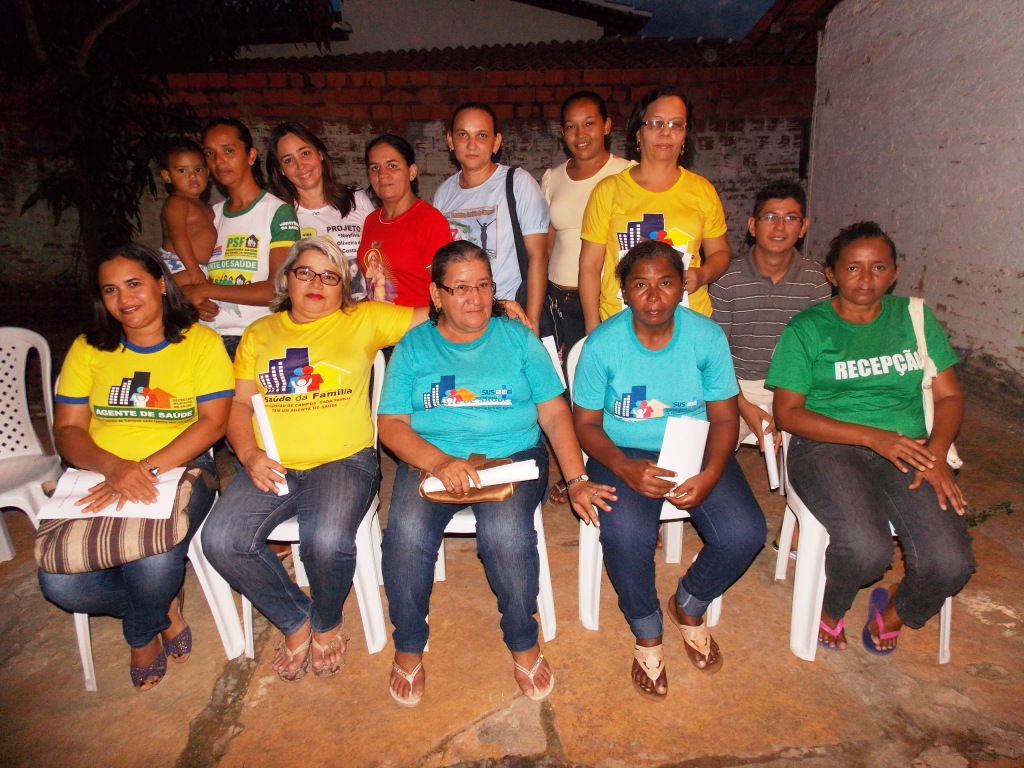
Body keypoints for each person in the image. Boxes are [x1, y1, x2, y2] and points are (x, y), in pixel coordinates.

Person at [378, 241, 614, 707]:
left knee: (505, 535)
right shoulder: (414, 347)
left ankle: (523, 637)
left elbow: (553, 412)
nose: (475, 298)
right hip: (434, 460)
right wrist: (439, 462)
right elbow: (391, 425)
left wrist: (577, 477)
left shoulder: (517, 338)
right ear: (436, 294)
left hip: (512, 456)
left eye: (483, 285)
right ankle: (408, 643)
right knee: (404, 532)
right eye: (460, 288)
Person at [201, 236, 430, 682]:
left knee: (325, 540)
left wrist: (497, 302)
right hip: (273, 461)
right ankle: (295, 619)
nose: (316, 283)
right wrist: (247, 454)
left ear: (344, 289)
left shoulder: (363, 319)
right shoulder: (259, 333)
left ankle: (326, 621)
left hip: (344, 461)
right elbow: (241, 407)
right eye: (304, 272)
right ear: (287, 279)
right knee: (222, 539)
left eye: (330, 277)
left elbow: (439, 311)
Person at [768, 221, 974, 654]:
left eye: (878, 267)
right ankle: (831, 608)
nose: (866, 279)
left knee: (951, 562)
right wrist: (871, 437)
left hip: (909, 449)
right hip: (827, 447)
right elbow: (787, 414)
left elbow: (950, 395)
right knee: (865, 549)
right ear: (831, 273)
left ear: (895, 272)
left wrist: (935, 454)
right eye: (853, 268)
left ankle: (896, 610)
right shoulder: (807, 328)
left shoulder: (914, 317)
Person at [572, 240, 765, 701]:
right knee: (625, 535)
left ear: (682, 288)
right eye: (640, 285)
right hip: (620, 447)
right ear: (623, 292)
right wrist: (623, 467)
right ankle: (647, 634)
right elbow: (584, 424)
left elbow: (723, 417)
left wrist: (712, 473)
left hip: (693, 443)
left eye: (665, 283)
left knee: (744, 532)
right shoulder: (603, 344)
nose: (654, 296)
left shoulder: (706, 337)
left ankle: (690, 604)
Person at [40, 243, 233, 691]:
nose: (124, 298)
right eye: (111, 289)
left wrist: (141, 470)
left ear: (161, 285)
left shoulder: (199, 343)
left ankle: (141, 634)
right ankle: (158, 610)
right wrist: (113, 467)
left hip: (178, 468)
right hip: (100, 472)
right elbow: (67, 430)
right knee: (60, 583)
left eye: (134, 284)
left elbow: (212, 424)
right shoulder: (89, 348)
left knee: (154, 562)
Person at [709, 180, 831, 554]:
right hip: (734, 383)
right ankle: (709, 531)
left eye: (790, 218)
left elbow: (817, 354)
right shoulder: (726, 278)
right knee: (704, 448)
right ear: (752, 225)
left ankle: (793, 533)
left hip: (792, 386)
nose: (780, 228)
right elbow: (715, 357)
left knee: (822, 447)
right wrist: (746, 407)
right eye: (770, 218)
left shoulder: (816, 282)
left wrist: (785, 406)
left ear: (804, 226)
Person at [542, 90, 633, 504]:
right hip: (557, 300)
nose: (581, 134)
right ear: (563, 133)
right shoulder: (552, 177)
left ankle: (605, 464)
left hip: (605, 301)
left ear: (608, 125)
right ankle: (573, 467)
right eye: (571, 126)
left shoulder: (628, 174)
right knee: (562, 389)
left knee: (602, 389)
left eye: (590, 123)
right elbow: (545, 243)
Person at [579, 87, 731, 332]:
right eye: (655, 123)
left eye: (676, 124)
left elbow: (721, 252)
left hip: (688, 322)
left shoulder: (702, 190)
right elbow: (589, 266)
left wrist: (703, 274)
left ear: (685, 135)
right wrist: (592, 326)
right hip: (621, 322)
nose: (665, 132)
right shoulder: (608, 191)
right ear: (638, 132)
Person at [184, 118, 300, 359]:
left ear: (251, 156)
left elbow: (276, 290)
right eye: (210, 153)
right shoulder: (210, 215)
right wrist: (187, 294)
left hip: (256, 341)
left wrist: (207, 289)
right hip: (208, 339)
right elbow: (192, 273)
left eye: (228, 150)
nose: (219, 160)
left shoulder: (278, 212)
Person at [433, 102, 549, 331]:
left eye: (482, 135)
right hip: (462, 315)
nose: (472, 144)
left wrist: (532, 320)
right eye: (463, 134)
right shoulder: (443, 194)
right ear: (450, 140)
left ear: (496, 142)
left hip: (510, 314)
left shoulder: (517, 183)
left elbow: (539, 256)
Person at [267, 122, 375, 301]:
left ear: (320, 155)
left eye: (305, 153)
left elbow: (379, 257)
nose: (300, 165)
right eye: (288, 160)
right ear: (281, 171)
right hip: (310, 319)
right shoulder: (278, 214)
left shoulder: (356, 199)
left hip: (360, 316)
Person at [358, 133, 453, 307]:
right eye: (374, 168)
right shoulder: (371, 220)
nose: (382, 175)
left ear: (412, 172)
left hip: (418, 329)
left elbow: (448, 291)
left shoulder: (429, 220)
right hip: (378, 329)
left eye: (392, 166)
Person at [158, 138, 216, 288]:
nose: (192, 175)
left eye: (198, 169)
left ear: (207, 172)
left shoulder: (208, 207)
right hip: (180, 263)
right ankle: (161, 289)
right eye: (182, 170)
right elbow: (178, 236)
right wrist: (193, 269)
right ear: (167, 176)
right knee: (175, 294)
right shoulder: (177, 203)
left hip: (198, 266)